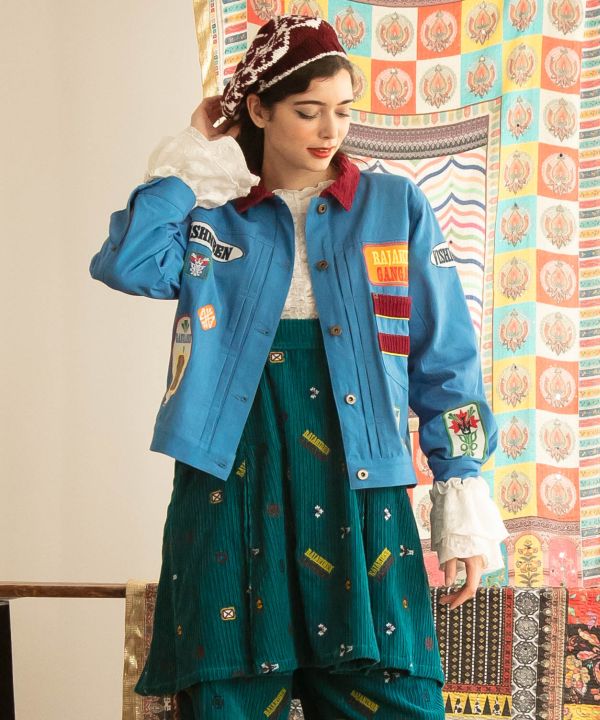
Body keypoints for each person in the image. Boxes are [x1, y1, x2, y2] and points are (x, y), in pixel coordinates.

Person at [90, 14, 508, 720]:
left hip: (361, 485)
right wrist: (196, 151)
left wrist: (461, 487)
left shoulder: (395, 207)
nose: (330, 130)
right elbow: (128, 263)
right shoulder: (213, 216)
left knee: (395, 695)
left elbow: (449, 364)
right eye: (308, 110)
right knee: (228, 698)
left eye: (342, 110)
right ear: (258, 110)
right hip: (227, 485)